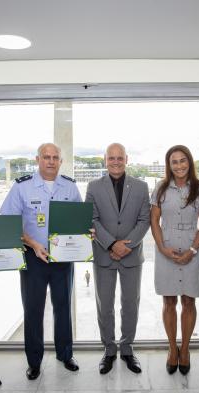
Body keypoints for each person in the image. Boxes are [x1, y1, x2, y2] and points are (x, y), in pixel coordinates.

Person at [0, 143, 82, 380]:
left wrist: (86, 233)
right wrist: (33, 244)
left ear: (60, 161)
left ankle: (65, 355)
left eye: (56, 157)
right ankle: (34, 361)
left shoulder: (70, 187)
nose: (51, 161)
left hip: (63, 258)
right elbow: (9, 222)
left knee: (63, 307)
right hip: (33, 258)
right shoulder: (22, 187)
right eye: (46, 157)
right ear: (37, 159)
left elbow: (78, 221)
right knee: (33, 310)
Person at [85, 143, 150, 375]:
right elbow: (91, 220)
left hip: (131, 256)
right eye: (111, 158)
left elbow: (145, 221)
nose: (115, 162)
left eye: (119, 158)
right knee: (105, 305)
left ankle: (127, 347)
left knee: (130, 303)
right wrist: (112, 244)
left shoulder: (141, 187)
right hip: (104, 254)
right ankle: (109, 349)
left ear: (126, 159)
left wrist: (126, 246)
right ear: (105, 160)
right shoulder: (93, 186)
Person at [150, 145, 199, 375]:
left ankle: (184, 349)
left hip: (191, 248)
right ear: (169, 165)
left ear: (190, 162)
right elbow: (154, 221)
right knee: (168, 302)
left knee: (188, 302)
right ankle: (171, 349)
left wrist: (193, 250)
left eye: (182, 160)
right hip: (165, 247)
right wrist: (162, 248)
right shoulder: (161, 188)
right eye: (174, 162)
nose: (179, 166)